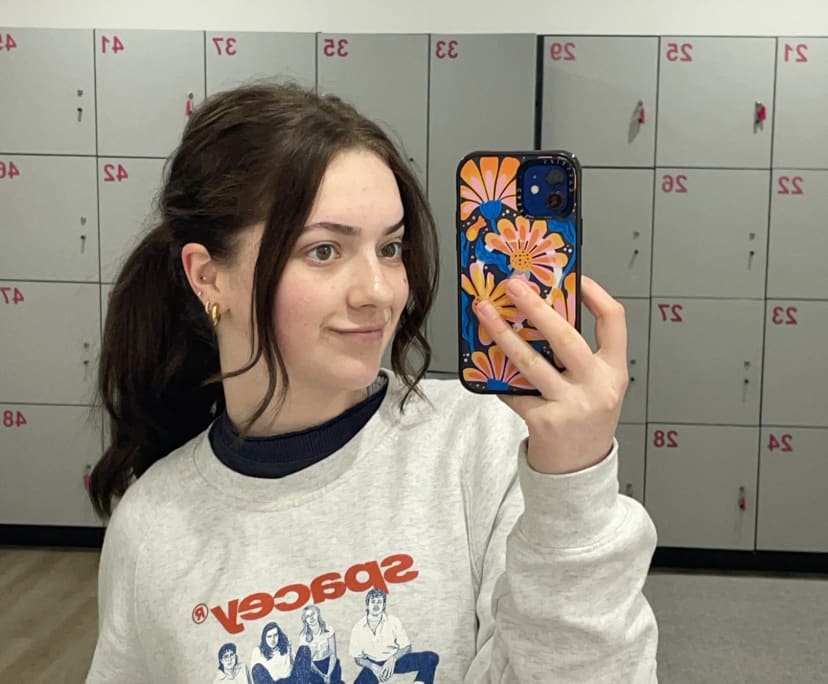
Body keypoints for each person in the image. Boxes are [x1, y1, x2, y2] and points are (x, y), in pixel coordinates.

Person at [84, 81, 659, 683]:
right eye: (324, 251)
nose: (380, 292)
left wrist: (574, 487)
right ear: (208, 276)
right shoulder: (152, 529)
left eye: (390, 247)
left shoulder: (486, 444)